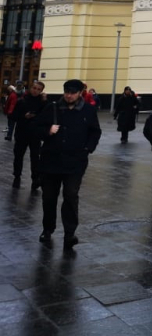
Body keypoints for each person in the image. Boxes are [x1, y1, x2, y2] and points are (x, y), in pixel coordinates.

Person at [36, 79, 102, 249]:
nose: (69, 96)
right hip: (51, 161)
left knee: (71, 195)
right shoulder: (52, 108)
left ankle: (69, 233)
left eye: (73, 93)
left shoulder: (88, 110)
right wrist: (47, 131)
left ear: (80, 93)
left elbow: (95, 131)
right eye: (66, 92)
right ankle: (48, 229)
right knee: (49, 198)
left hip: (75, 162)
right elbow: (35, 128)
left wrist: (88, 148)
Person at [12, 80, 47, 191]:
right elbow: (13, 116)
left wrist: (45, 101)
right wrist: (24, 116)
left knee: (35, 158)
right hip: (22, 133)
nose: (35, 91)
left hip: (35, 134)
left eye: (38, 89)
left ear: (41, 91)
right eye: (34, 88)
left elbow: (46, 116)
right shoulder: (22, 100)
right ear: (30, 88)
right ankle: (17, 176)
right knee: (18, 156)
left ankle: (35, 179)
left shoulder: (42, 102)